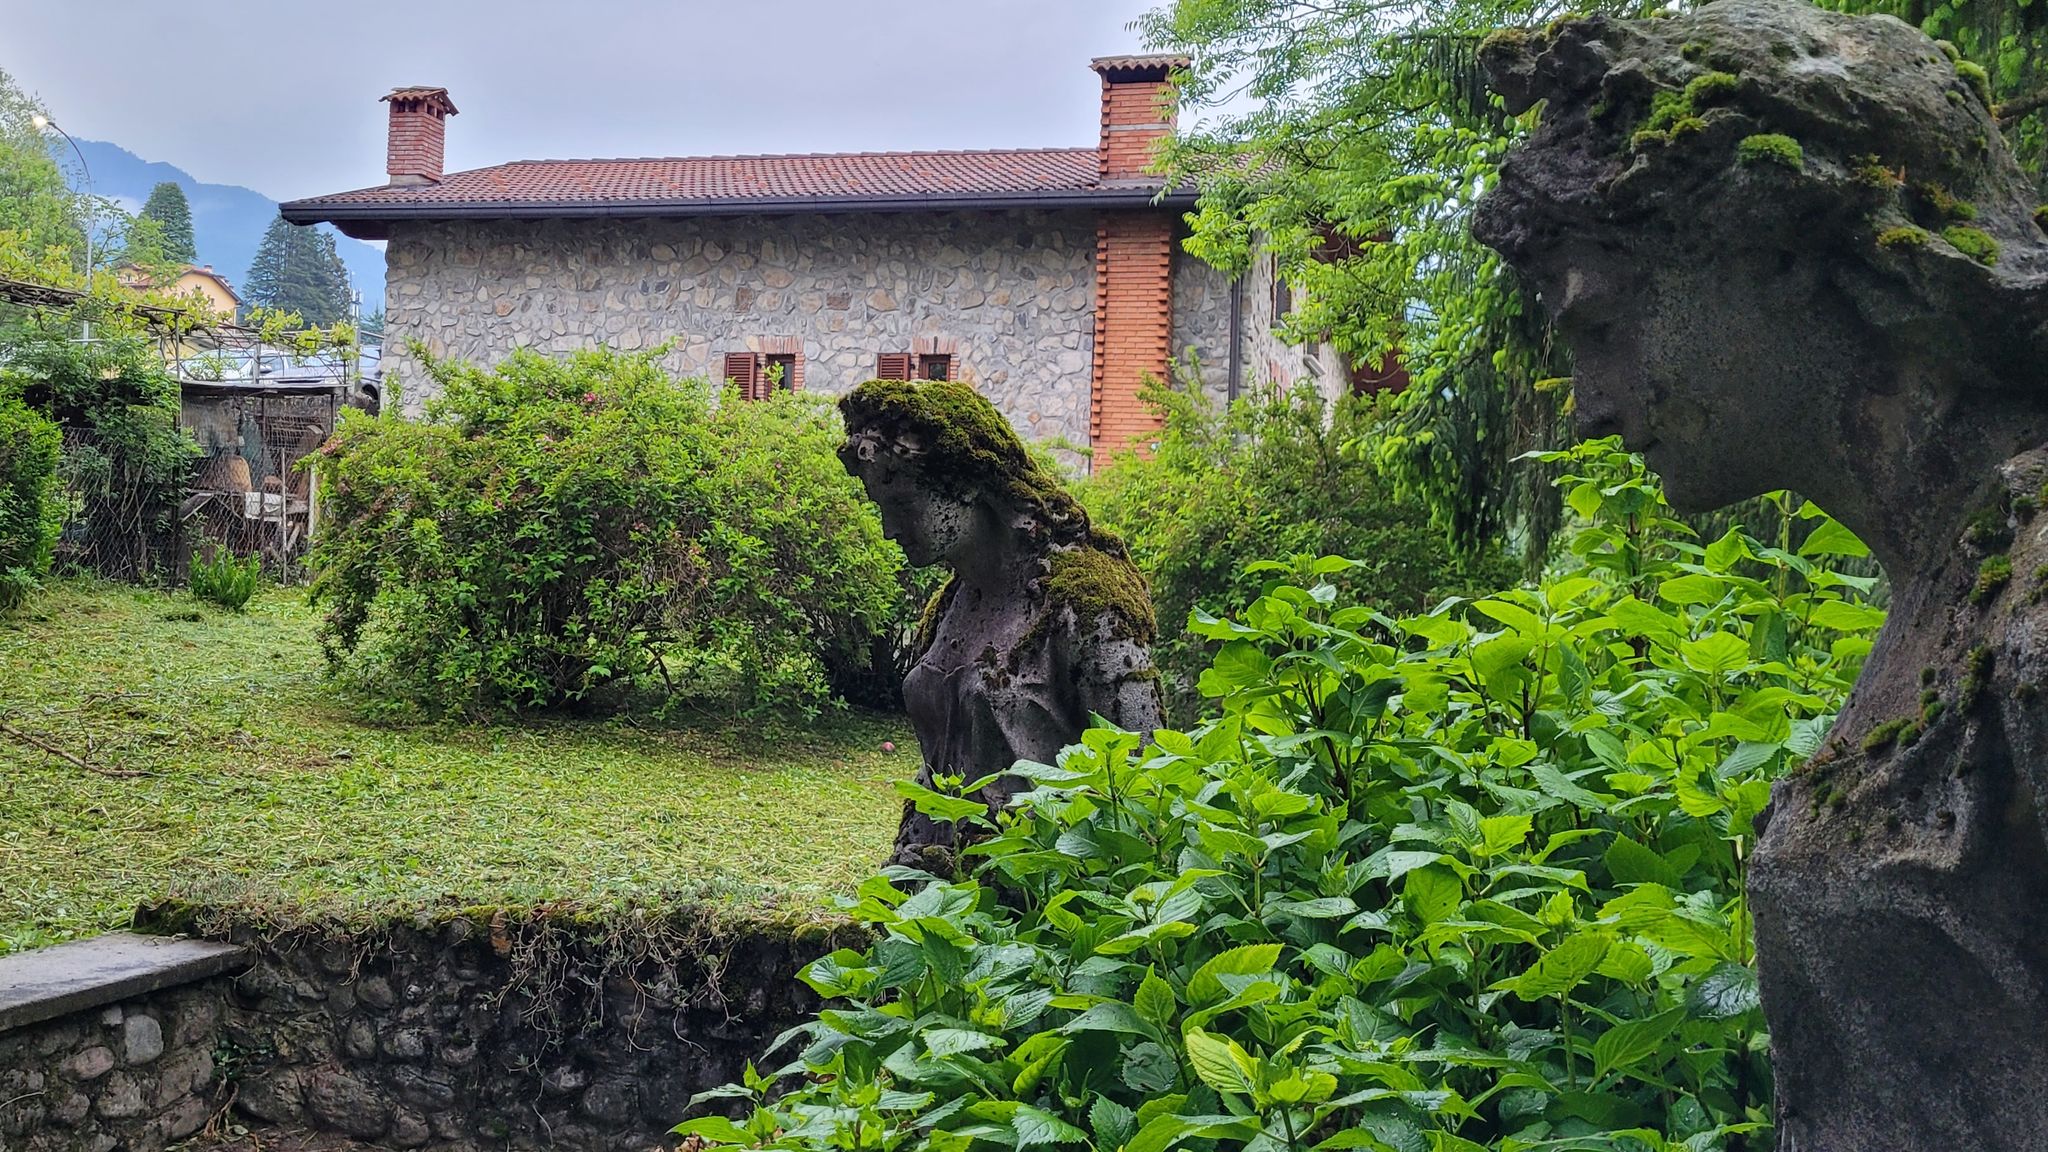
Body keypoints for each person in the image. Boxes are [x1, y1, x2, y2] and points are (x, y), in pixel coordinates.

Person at [1474, 1, 2048, 1146]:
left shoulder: (2029, 614)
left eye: (1600, 326)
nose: (1589, 411)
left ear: (1770, 250)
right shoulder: (1951, 594)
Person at [838, 379, 1162, 871]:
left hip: (1040, 904)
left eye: (902, 505)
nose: (888, 529)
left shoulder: (1085, 601)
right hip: (933, 901)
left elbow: (1148, 783)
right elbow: (939, 771)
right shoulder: (950, 604)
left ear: (966, 483)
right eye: (880, 508)